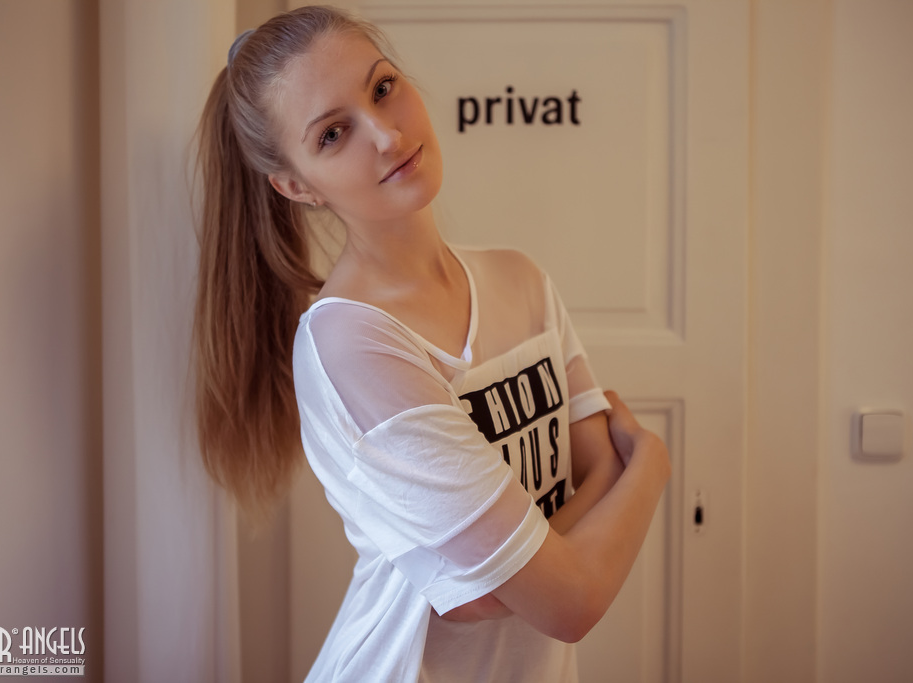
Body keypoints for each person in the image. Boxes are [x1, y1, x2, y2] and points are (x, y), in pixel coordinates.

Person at [191, 6, 670, 682]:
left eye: (383, 87)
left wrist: (519, 571)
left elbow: (564, 521)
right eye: (333, 133)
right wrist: (652, 462)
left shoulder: (521, 279)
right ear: (295, 185)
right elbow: (571, 599)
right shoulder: (351, 343)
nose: (387, 135)